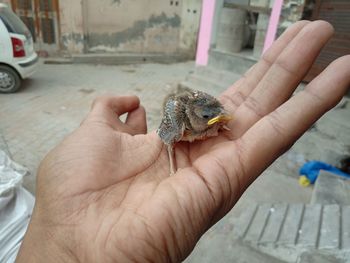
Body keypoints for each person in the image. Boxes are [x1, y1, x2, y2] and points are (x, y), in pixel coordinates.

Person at [16, 20, 349, 262]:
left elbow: (216, 117)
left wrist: (217, 123)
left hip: (196, 115)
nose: (218, 122)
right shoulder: (181, 124)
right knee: (174, 138)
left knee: (219, 122)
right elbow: (185, 127)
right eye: (208, 121)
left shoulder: (211, 113)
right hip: (180, 130)